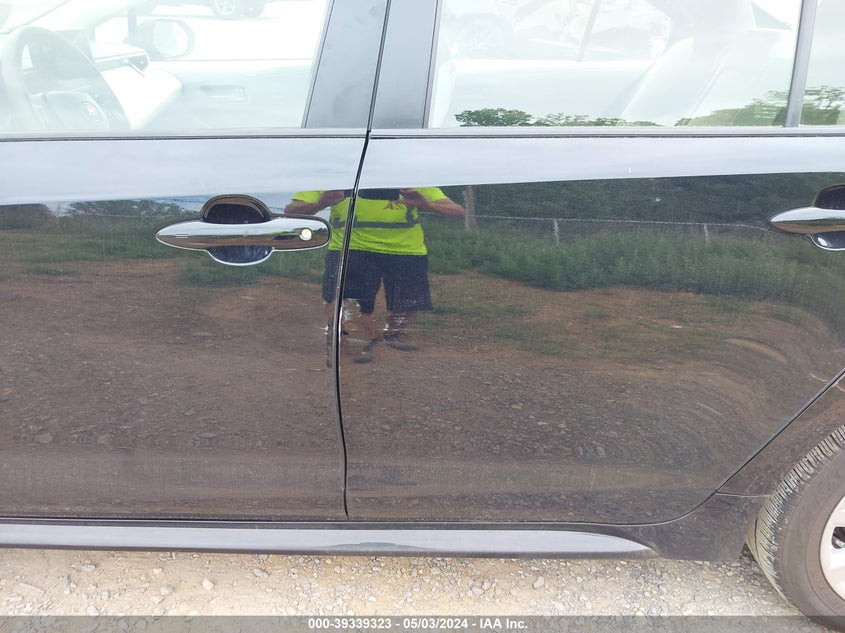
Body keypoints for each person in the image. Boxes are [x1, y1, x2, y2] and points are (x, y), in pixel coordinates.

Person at [285, 187, 464, 362]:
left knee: (408, 304)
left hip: (406, 249)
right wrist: (320, 203)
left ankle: (393, 334)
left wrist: (427, 205)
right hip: (351, 247)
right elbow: (291, 210)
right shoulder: (336, 180)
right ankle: (352, 339)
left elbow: (457, 211)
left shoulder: (410, 181)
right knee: (347, 303)